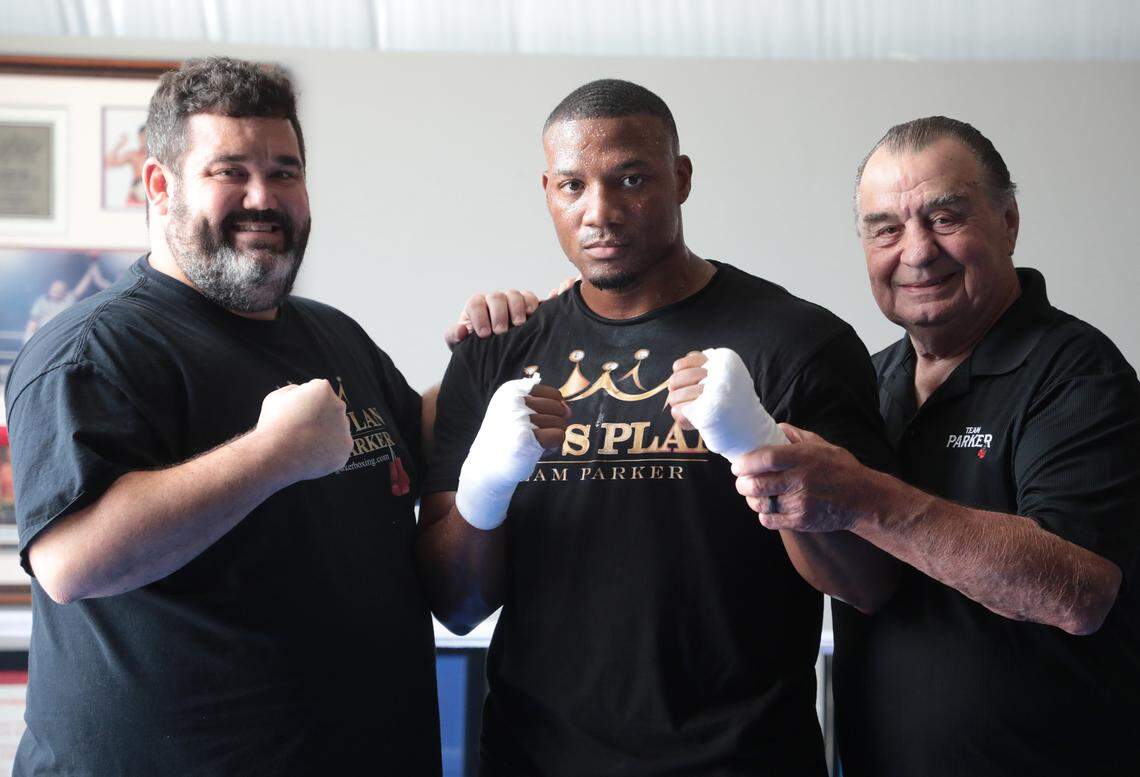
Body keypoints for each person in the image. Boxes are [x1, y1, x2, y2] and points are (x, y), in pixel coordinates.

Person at [417, 78, 897, 776]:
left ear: (680, 179)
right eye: (572, 186)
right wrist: (484, 490)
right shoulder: (496, 352)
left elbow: (869, 582)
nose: (599, 212)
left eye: (631, 179)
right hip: (535, 759)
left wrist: (764, 452)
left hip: (744, 760)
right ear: (547, 189)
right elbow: (458, 606)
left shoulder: (797, 342)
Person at [6, 56, 461, 775]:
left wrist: (504, 355)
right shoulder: (94, 349)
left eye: (284, 171)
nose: (264, 197)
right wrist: (273, 455)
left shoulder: (333, 334)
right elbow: (70, 560)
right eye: (231, 171)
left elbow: (419, 434)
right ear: (160, 186)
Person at [698, 117, 1140, 776]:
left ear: (1009, 220)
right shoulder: (866, 381)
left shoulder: (1076, 371)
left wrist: (860, 496)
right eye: (885, 228)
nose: (916, 250)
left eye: (945, 217)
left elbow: (1077, 594)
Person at [23, 258, 111, 341]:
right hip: (45, 337)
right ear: (50, 289)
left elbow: (82, 287)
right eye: (55, 289)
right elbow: (32, 325)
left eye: (60, 290)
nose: (57, 291)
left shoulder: (69, 299)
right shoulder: (41, 302)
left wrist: (92, 267)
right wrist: (28, 341)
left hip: (64, 337)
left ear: (64, 291)